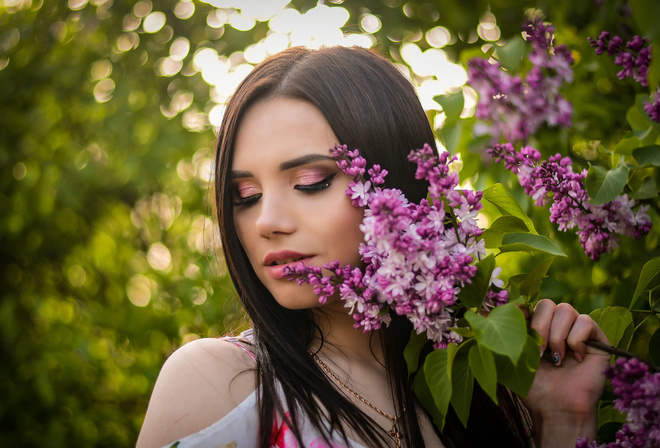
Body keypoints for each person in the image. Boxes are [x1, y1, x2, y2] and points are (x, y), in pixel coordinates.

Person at [137, 46, 611, 448]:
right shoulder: (222, 386)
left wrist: (564, 422)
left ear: (401, 188)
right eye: (246, 197)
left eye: (310, 181)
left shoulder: (481, 387)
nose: (267, 222)